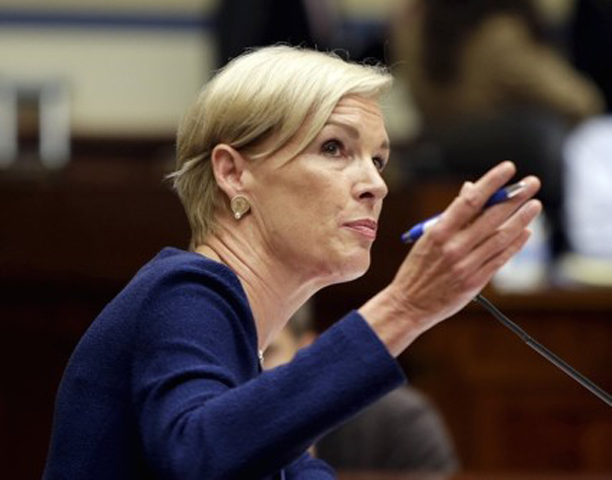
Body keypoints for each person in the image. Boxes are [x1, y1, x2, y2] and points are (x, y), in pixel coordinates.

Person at [43, 45, 541, 479]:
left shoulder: (247, 361)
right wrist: (405, 308)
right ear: (234, 173)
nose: (376, 184)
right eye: (334, 148)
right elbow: (197, 458)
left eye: (379, 160)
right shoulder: (183, 292)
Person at [391, 0, 604, 262]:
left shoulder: (414, 24)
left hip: (434, 143)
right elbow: (579, 100)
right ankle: (566, 251)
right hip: (509, 153)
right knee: (550, 132)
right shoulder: (498, 31)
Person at [265, 303, 460, 473]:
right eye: (234, 358)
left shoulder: (397, 420)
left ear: (306, 349)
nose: (248, 368)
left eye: (266, 353)